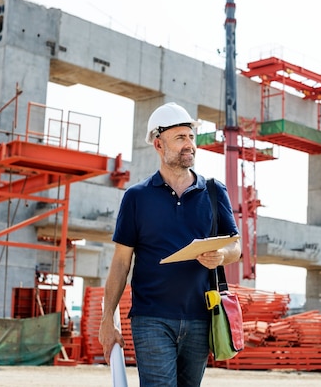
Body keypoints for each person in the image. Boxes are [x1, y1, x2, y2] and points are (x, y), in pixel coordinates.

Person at [99, 102, 241, 387]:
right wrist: (107, 320)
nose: (189, 144)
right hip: (151, 318)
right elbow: (121, 262)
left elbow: (235, 248)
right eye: (180, 138)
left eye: (191, 137)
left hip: (201, 317)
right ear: (158, 145)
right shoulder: (137, 197)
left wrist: (221, 256)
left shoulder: (214, 192)